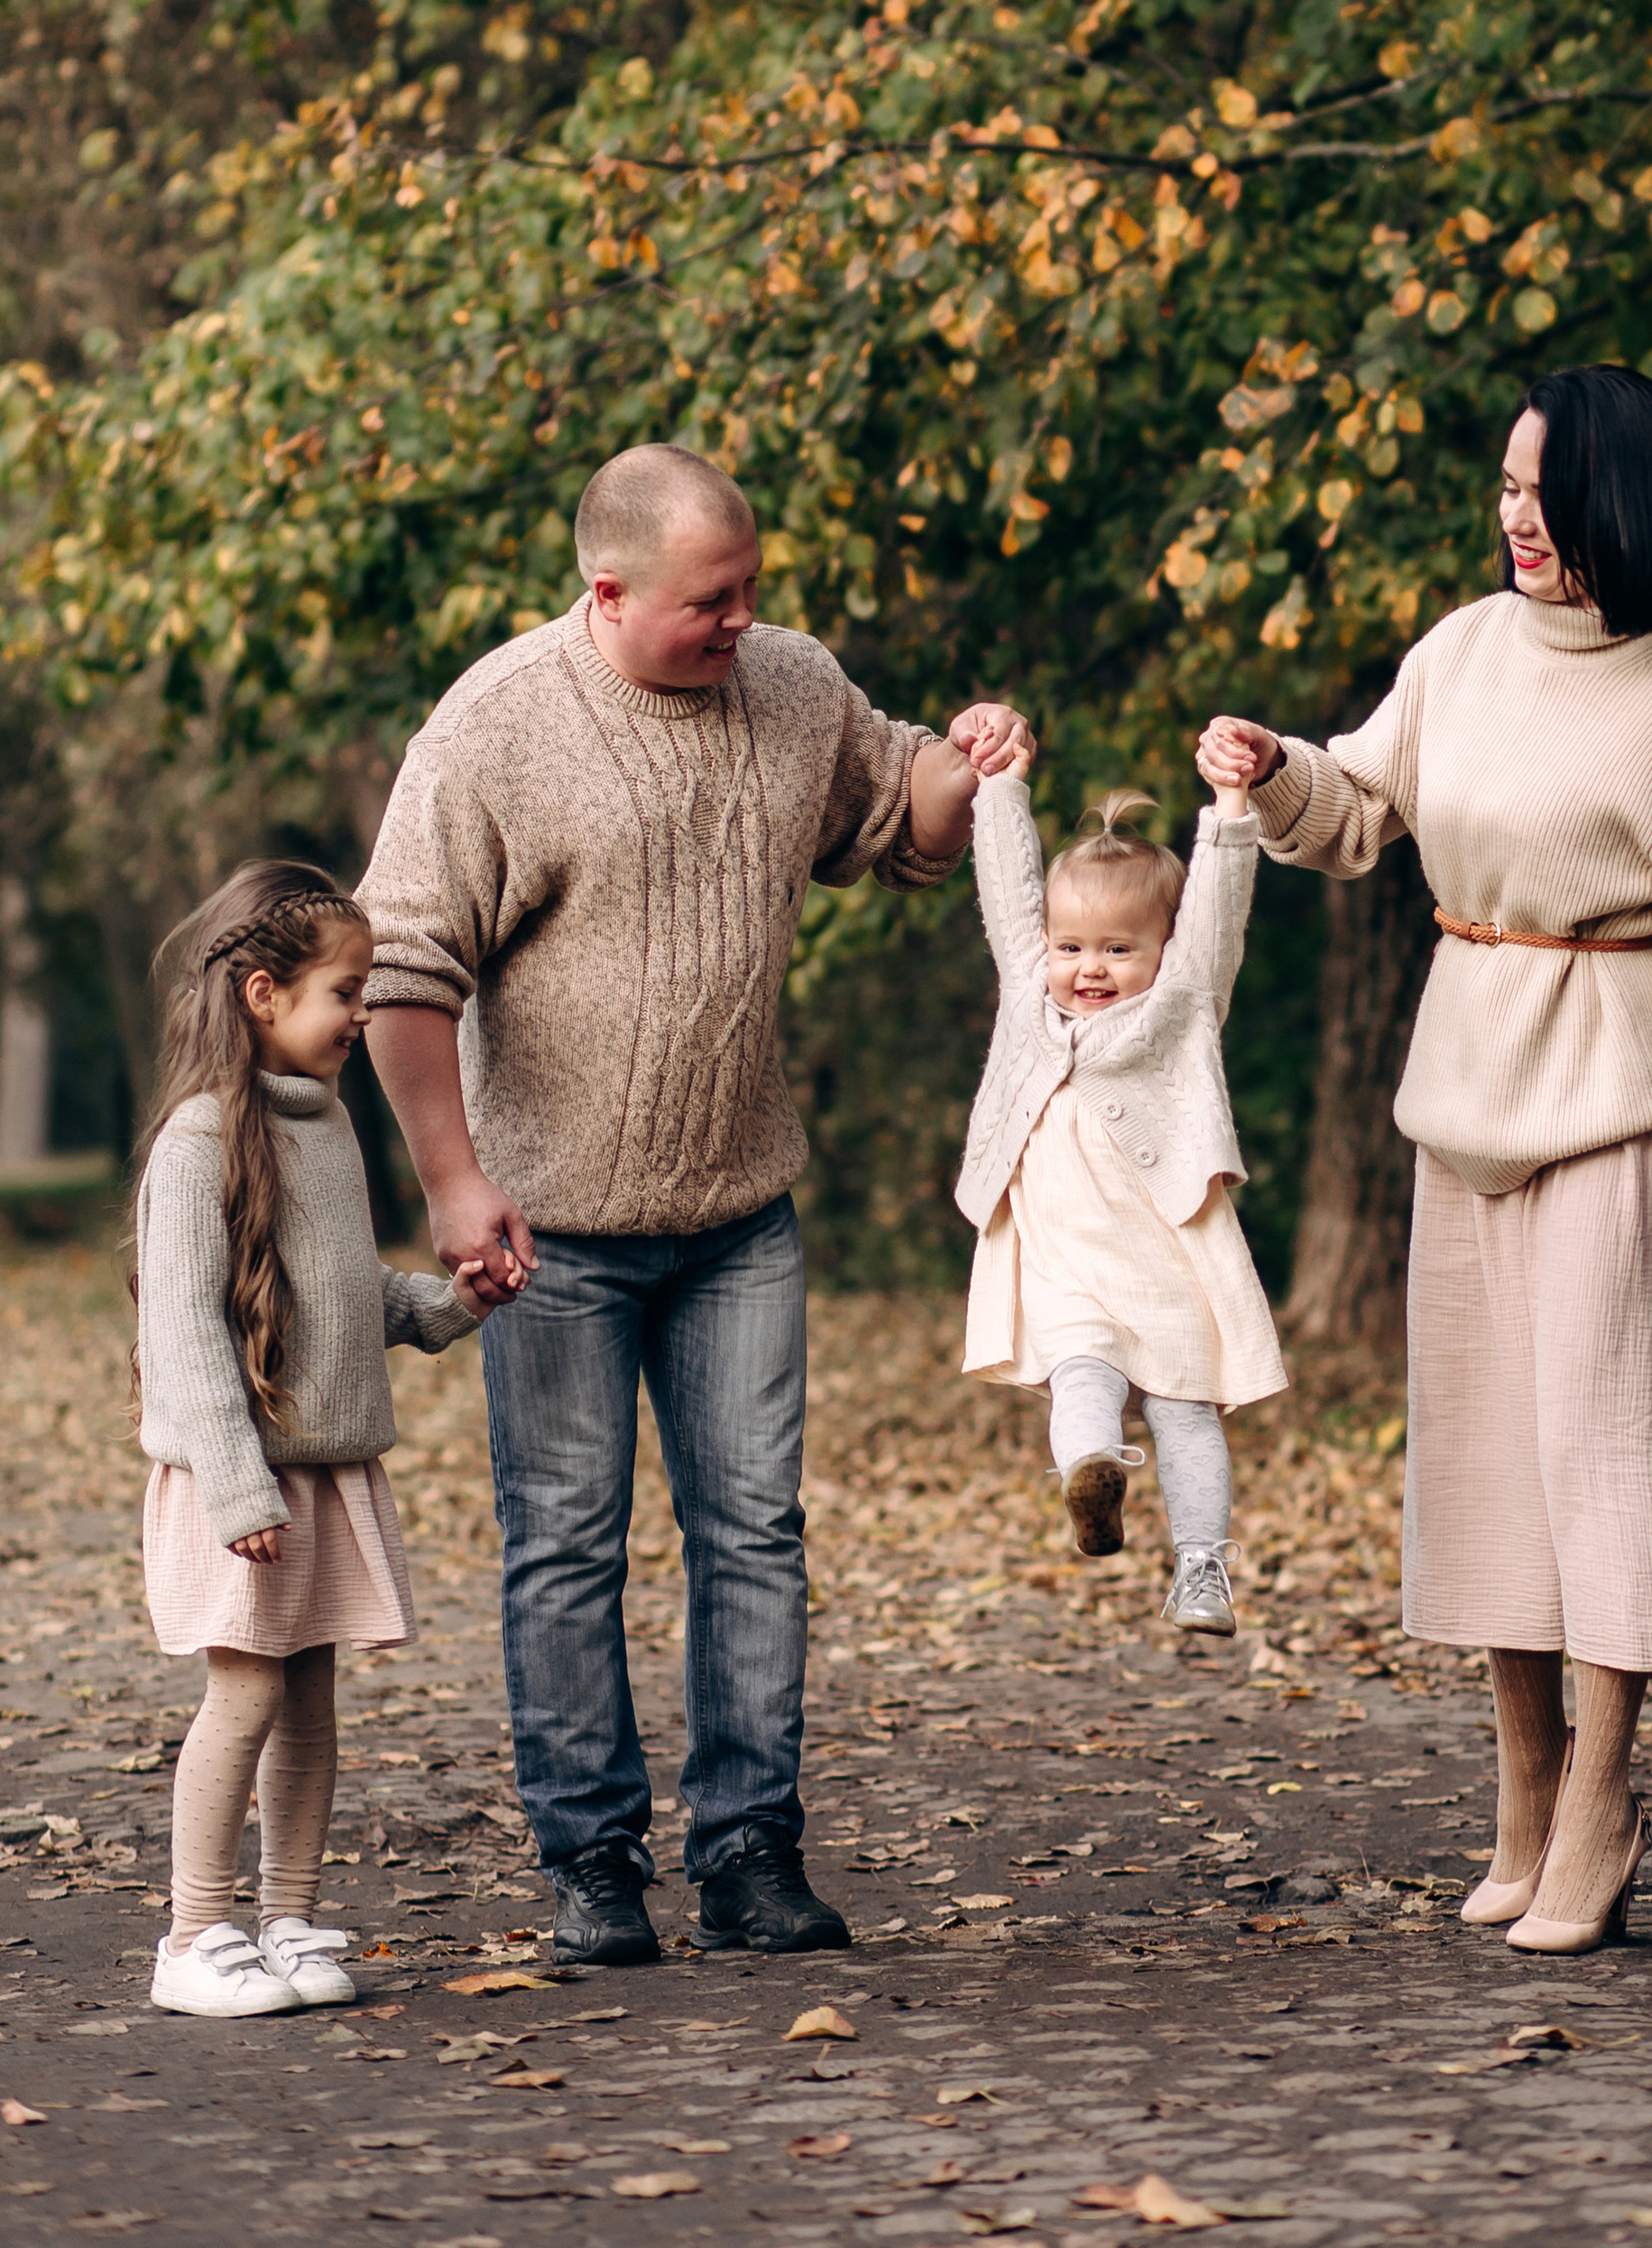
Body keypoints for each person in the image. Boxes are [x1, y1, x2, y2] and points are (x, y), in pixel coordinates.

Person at [359, 441, 1029, 1966]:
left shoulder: (792, 684)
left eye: (751, 591)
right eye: (709, 601)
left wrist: (966, 762)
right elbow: (403, 968)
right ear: (610, 592)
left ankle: (749, 1855)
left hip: (738, 1211)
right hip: (551, 1228)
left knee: (754, 1533)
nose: (741, 621)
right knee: (564, 1543)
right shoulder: (498, 726)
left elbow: (900, 824)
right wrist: (455, 1186)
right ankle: (590, 1862)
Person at [1198, 363, 1652, 1955]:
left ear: (1616, 499)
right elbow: (1361, 812)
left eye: (1543, 492)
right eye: (1503, 488)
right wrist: (1281, 772)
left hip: (1619, 1102)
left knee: (1603, 1459)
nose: (1517, 520)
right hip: (1464, 1096)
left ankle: (1608, 1795)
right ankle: (1527, 1790)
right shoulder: (1464, 651)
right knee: (1486, 1465)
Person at [133, 858, 501, 2020]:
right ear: (262, 995)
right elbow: (185, 1330)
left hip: (328, 1474)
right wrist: (241, 1490)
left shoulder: (327, 1127)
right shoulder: (198, 1142)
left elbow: (343, 1294)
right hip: (239, 1483)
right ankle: (194, 1935)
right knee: (241, 1699)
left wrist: (455, 1305)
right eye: (347, 991)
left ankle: (287, 1920)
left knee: (311, 1702)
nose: (363, 1014)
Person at [956, 748, 1286, 1637]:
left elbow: (1217, 915)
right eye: (1070, 948)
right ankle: (1091, 1475)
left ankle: (1201, 1571)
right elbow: (1007, 893)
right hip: (1063, 1251)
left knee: (1185, 1408)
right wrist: (1000, 787)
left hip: (1166, 1249)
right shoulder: (1029, 997)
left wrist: (1228, 807)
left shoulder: (1181, 1002)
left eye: (1116, 948)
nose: (1087, 968)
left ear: (1163, 951)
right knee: (1080, 1376)